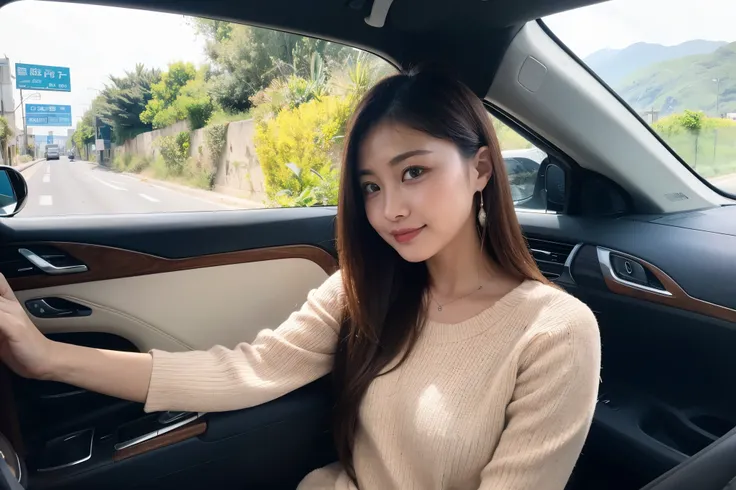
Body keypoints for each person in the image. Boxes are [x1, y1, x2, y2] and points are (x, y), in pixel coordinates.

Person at [0, 69, 601, 490]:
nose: (389, 208)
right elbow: (245, 370)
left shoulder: (553, 333)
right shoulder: (363, 290)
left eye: (413, 171)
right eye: (370, 186)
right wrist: (45, 358)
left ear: (480, 169)